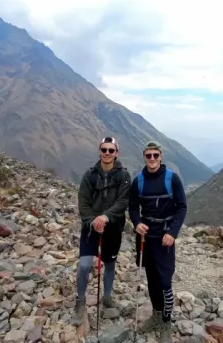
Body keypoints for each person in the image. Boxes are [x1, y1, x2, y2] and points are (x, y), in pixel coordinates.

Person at [129, 141, 187, 342]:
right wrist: (136, 223)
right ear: (144, 157)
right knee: (152, 281)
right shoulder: (139, 181)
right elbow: (133, 208)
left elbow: (181, 207)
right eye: (148, 155)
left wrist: (172, 233)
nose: (152, 159)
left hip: (165, 239)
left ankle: (166, 320)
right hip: (146, 238)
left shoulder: (172, 179)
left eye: (155, 155)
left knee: (165, 281)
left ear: (161, 156)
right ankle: (155, 314)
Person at [72, 136, 131, 325]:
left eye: (111, 150)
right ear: (99, 151)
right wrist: (92, 221)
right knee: (84, 265)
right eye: (104, 150)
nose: (107, 153)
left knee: (110, 264)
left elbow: (123, 202)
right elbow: (83, 201)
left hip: (113, 227)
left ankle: (106, 297)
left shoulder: (124, 176)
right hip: (90, 227)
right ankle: (80, 301)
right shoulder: (90, 175)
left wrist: (105, 217)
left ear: (116, 153)